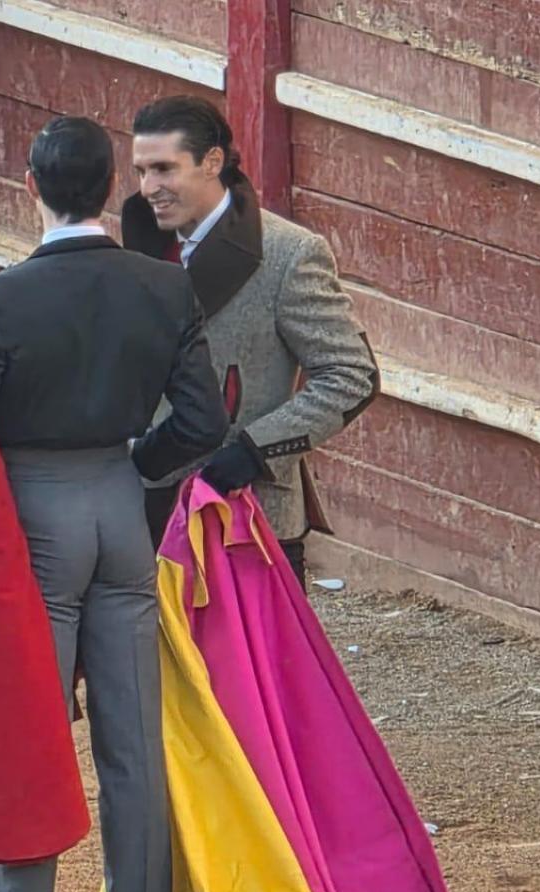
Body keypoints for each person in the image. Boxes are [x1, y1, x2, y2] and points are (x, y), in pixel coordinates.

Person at [0, 117, 228, 892]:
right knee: (133, 747)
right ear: (113, 187)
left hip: (35, 532)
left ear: (30, 185)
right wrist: (135, 469)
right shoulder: (163, 287)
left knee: (27, 738)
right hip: (122, 514)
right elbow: (204, 421)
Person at [124, 96, 379, 585]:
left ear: (212, 162)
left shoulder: (289, 254)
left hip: (245, 510)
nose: (148, 188)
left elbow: (352, 374)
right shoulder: (139, 241)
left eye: (164, 169)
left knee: (249, 663)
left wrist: (253, 452)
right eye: (140, 171)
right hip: (146, 501)